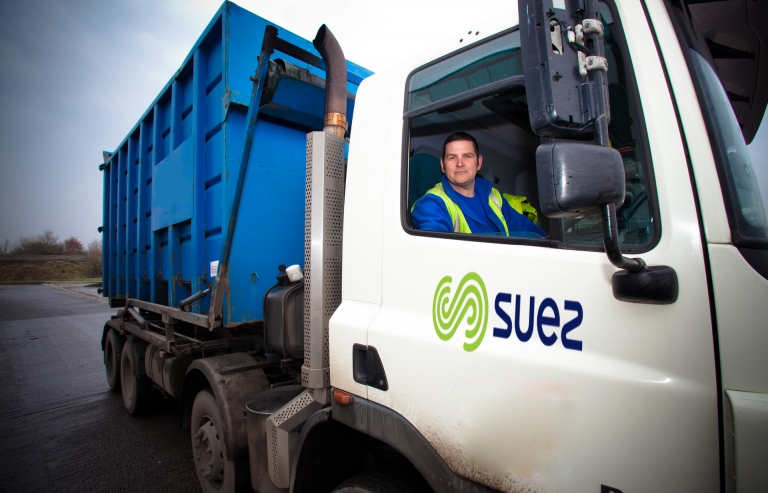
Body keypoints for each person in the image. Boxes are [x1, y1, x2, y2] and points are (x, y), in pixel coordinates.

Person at [411, 132, 545, 237]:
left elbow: (529, 231)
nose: (460, 163)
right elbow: (438, 254)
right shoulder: (432, 204)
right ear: (442, 165)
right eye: (452, 157)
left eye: (467, 156)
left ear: (479, 162)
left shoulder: (493, 195)